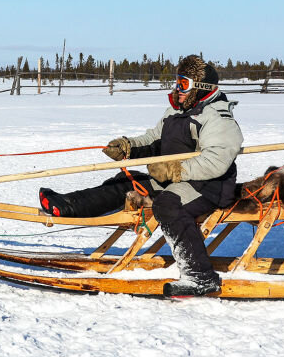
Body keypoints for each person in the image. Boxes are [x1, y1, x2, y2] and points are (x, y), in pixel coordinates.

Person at [39, 55, 242, 296]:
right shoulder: (175, 112)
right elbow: (152, 140)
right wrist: (129, 147)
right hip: (173, 179)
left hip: (207, 185)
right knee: (125, 182)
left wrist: (175, 170)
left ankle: (200, 277)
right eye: (177, 81)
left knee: (169, 205)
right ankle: (68, 206)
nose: (178, 88)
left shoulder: (218, 117)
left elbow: (216, 161)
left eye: (184, 84)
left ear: (201, 88)